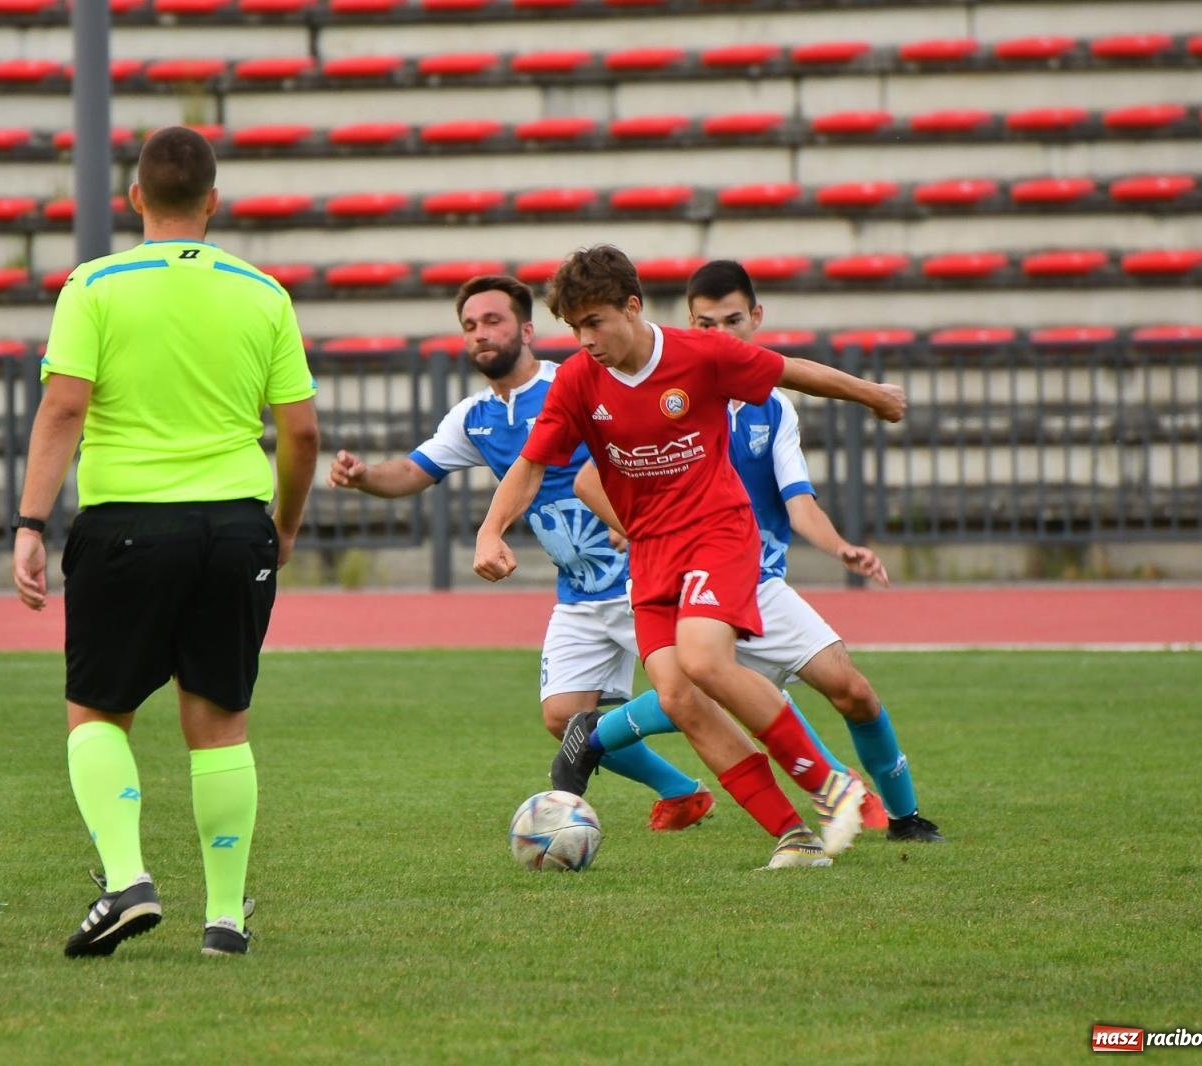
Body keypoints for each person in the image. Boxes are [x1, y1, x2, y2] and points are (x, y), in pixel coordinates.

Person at [474, 245, 906, 866]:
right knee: (678, 697)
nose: (584, 339)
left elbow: (789, 371)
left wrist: (872, 396)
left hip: (719, 532)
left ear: (632, 306)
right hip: (651, 553)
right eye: (573, 327)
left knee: (705, 658)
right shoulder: (577, 379)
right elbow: (533, 463)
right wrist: (492, 531)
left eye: (593, 322)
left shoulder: (699, 353)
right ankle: (795, 837)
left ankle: (830, 784)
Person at [12, 127, 320, 959]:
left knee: (98, 713)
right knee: (221, 723)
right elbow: (298, 432)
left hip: (127, 523)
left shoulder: (94, 284)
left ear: (136, 197)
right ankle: (225, 917)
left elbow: (65, 409)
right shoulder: (263, 293)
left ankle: (128, 881)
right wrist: (283, 526)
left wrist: (31, 522)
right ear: (214, 201)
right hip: (235, 526)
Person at [327, 275, 718, 834]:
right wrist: (364, 477)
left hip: (642, 575)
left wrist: (634, 517)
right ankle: (681, 792)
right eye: (469, 327)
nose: (481, 334)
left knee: (707, 690)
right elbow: (414, 470)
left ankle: (817, 773)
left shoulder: (579, 383)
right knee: (563, 716)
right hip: (579, 592)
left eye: (493, 321)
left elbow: (641, 445)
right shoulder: (474, 417)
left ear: (528, 329)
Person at [577, 260, 944, 842]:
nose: (721, 334)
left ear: (757, 318)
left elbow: (799, 503)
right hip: (683, 573)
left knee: (848, 687)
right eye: (706, 322)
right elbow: (589, 479)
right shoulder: (662, 382)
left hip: (758, 577)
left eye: (733, 321)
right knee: (685, 691)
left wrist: (840, 546)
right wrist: (639, 522)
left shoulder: (773, 408)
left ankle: (903, 815)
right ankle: (829, 800)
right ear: (686, 323)